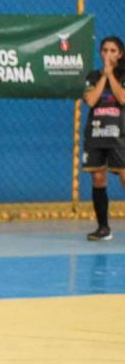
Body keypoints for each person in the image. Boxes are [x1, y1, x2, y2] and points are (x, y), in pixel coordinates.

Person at [83, 35, 125, 241]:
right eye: (105, 50)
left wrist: (112, 77)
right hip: (97, 134)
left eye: (113, 51)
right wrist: (104, 76)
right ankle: (103, 228)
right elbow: (90, 100)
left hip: (120, 135)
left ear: (120, 55)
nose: (108, 54)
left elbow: (123, 98)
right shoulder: (92, 76)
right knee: (98, 177)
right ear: (100, 53)